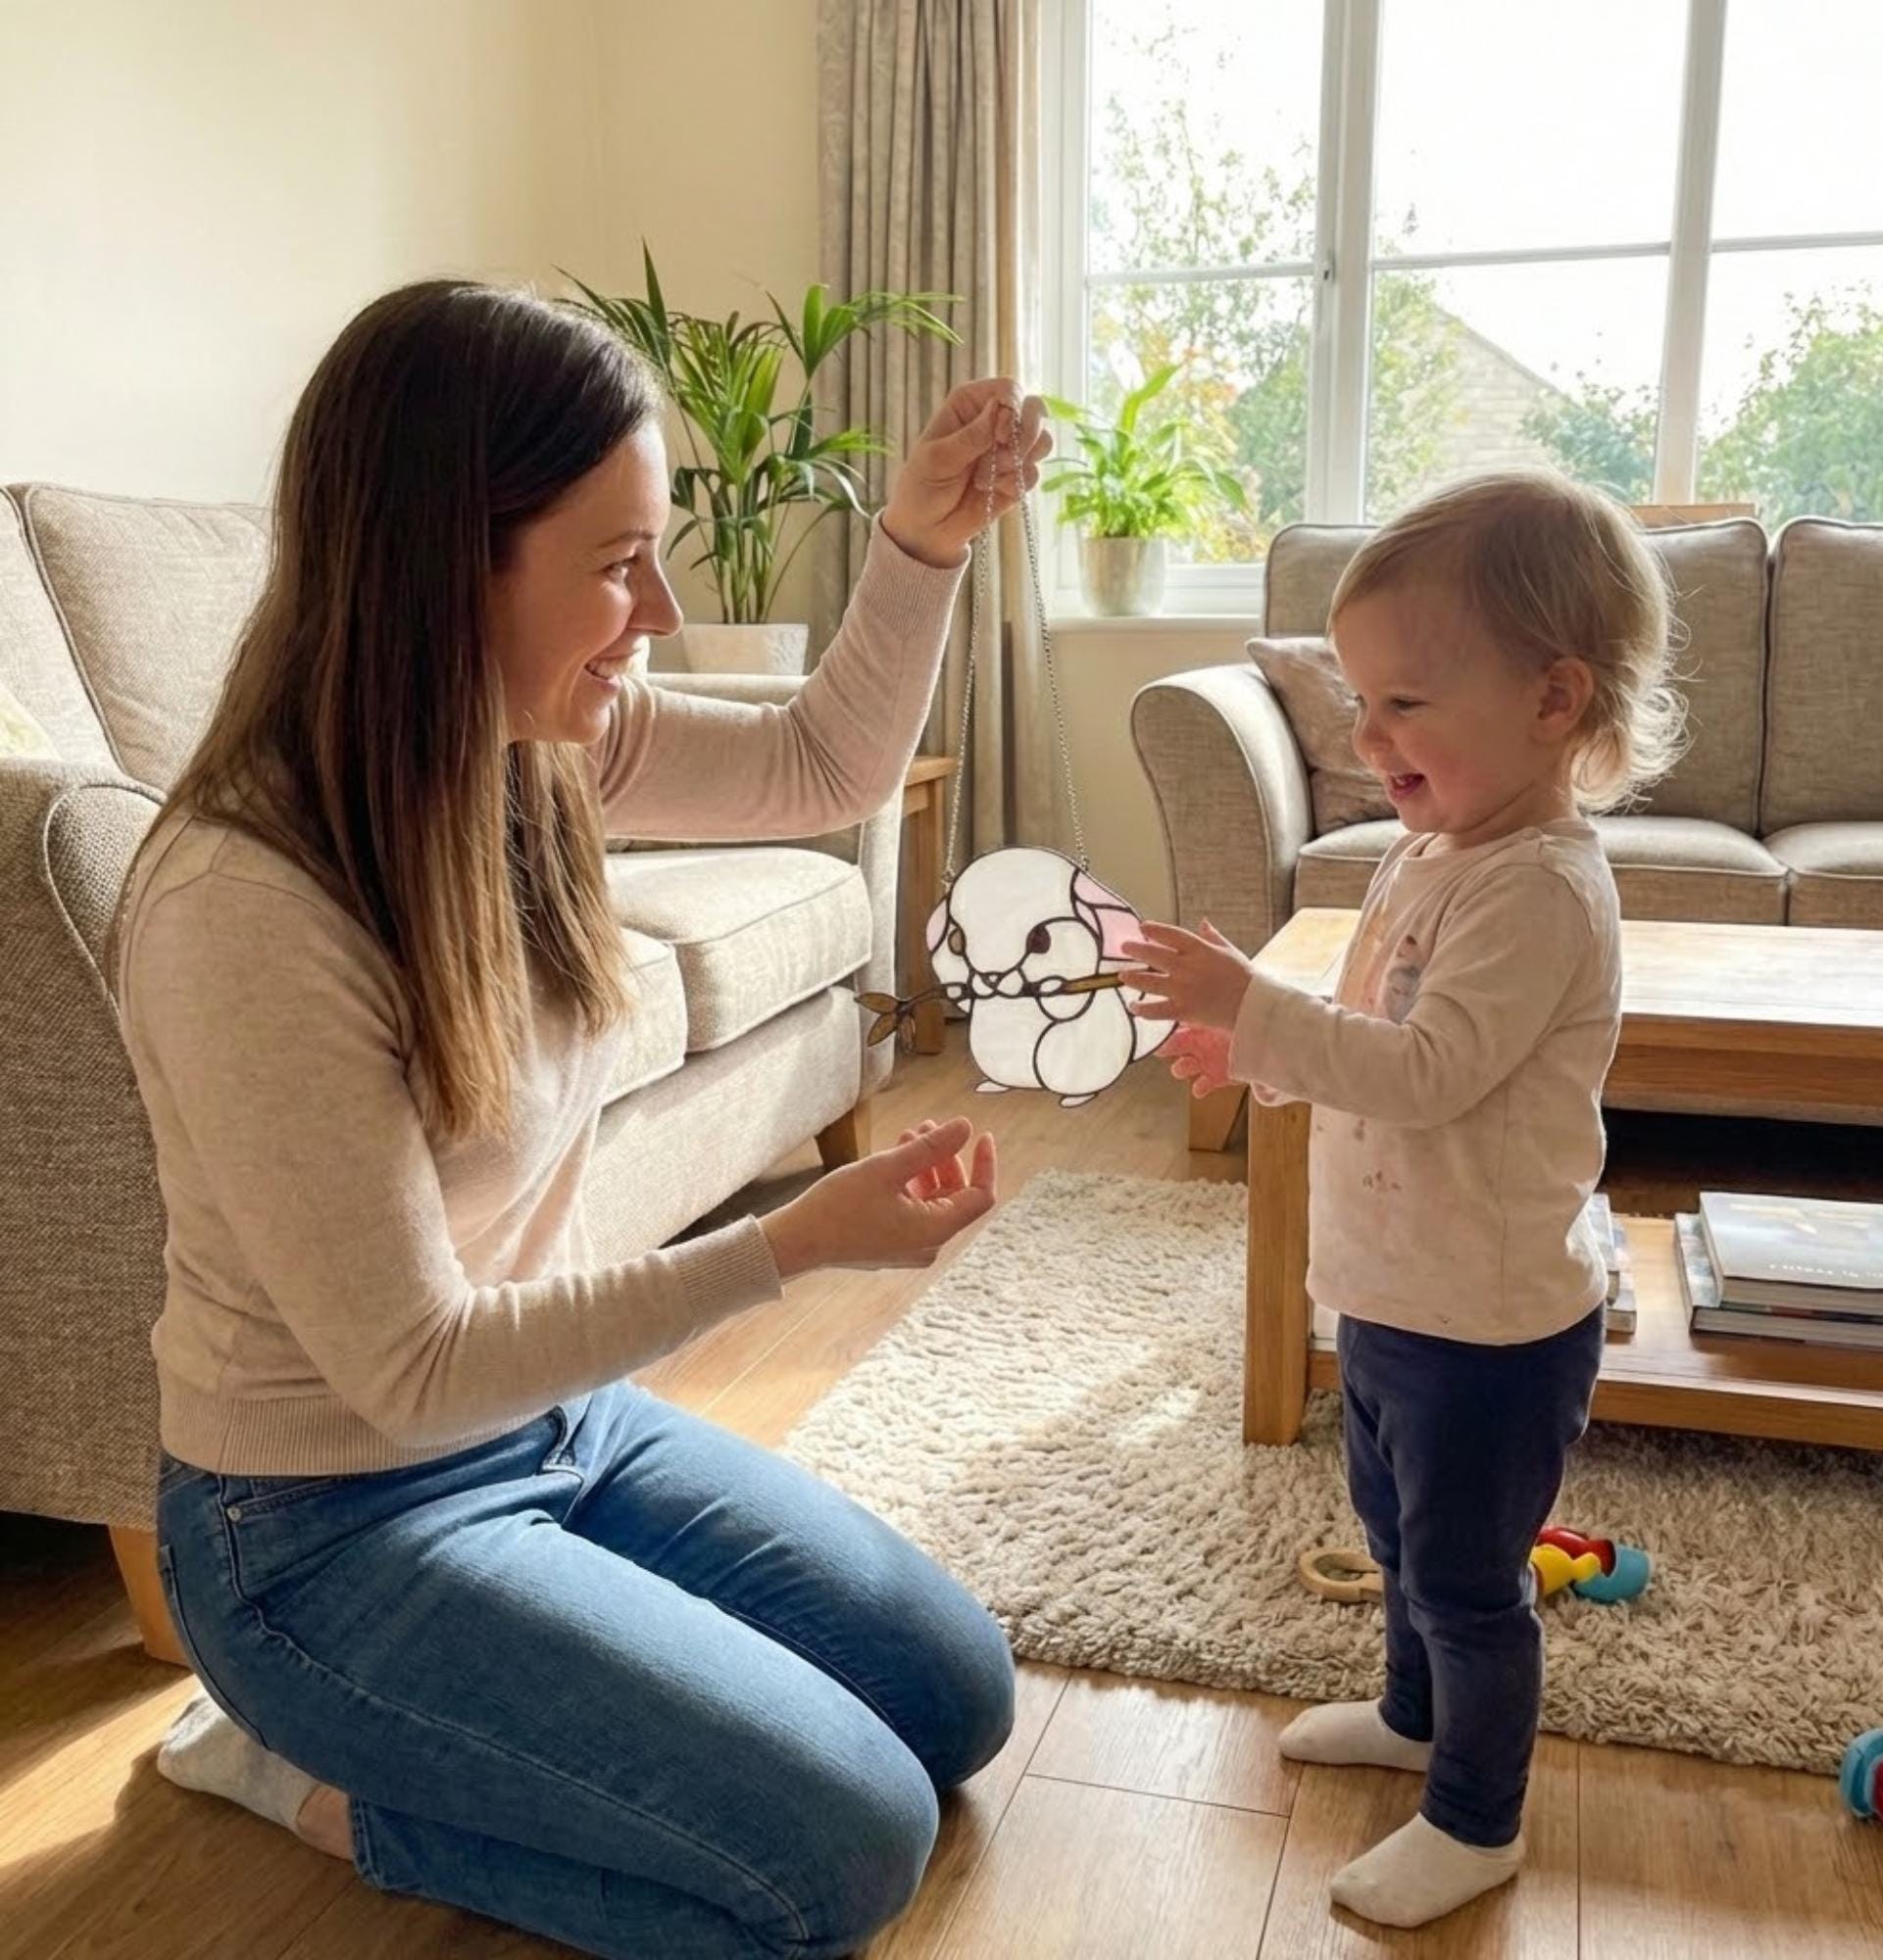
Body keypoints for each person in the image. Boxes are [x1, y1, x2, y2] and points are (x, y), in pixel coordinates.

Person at [115, 277, 1051, 1960]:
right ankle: (296, 1767)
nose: (665, 609)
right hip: (317, 1531)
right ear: (441, 561)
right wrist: (793, 1246)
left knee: (955, 1694)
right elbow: (407, 1369)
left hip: (557, 1424)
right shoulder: (242, 903)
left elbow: (821, 767)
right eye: (619, 563)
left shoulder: (541, 747)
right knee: (844, 1855)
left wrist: (921, 544)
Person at [1123, 469, 1684, 1930]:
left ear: (1555, 702)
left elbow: (1431, 1073)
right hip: (1391, 1294)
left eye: (1406, 706)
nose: (1369, 741)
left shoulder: (1542, 891)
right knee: (1396, 1537)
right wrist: (1260, 1053)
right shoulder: (1431, 858)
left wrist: (1255, 1004)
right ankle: (1412, 1712)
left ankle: (1477, 1818)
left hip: (1490, 1324)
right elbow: (1371, 1034)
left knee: (1470, 1579)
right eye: (1361, 706)